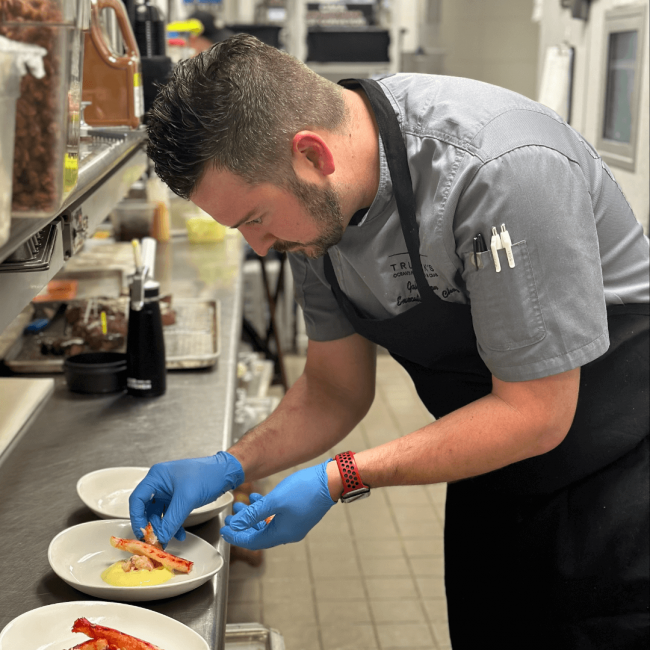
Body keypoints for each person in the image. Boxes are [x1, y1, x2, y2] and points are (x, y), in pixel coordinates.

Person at [132, 34, 649, 648]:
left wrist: (340, 476)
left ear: (312, 155)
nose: (259, 248)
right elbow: (334, 388)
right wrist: (230, 465)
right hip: (490, 468)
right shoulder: (314, 218)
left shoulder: (500, 169)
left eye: (254, 219)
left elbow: (536, 413)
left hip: (618, 483)